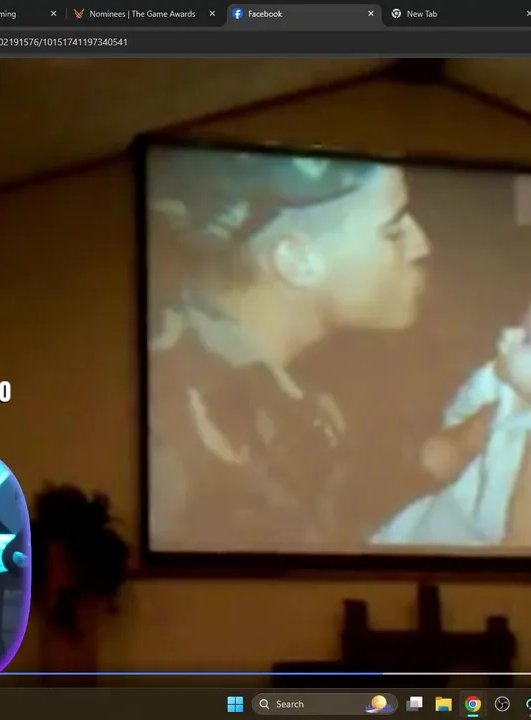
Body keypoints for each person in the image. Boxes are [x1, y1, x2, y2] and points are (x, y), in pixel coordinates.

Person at [145, 148, 436, 551]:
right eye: (393, 231)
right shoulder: (202, 421)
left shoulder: (271, 379)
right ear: (297, 261)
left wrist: (446, 456)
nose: (422, 244)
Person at [371, 294, 531, 550]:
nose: (508, 334)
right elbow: (458, 414)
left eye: (528, 340)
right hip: (448, 508)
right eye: (520, 323)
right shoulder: (500, 379)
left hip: (487, 540)